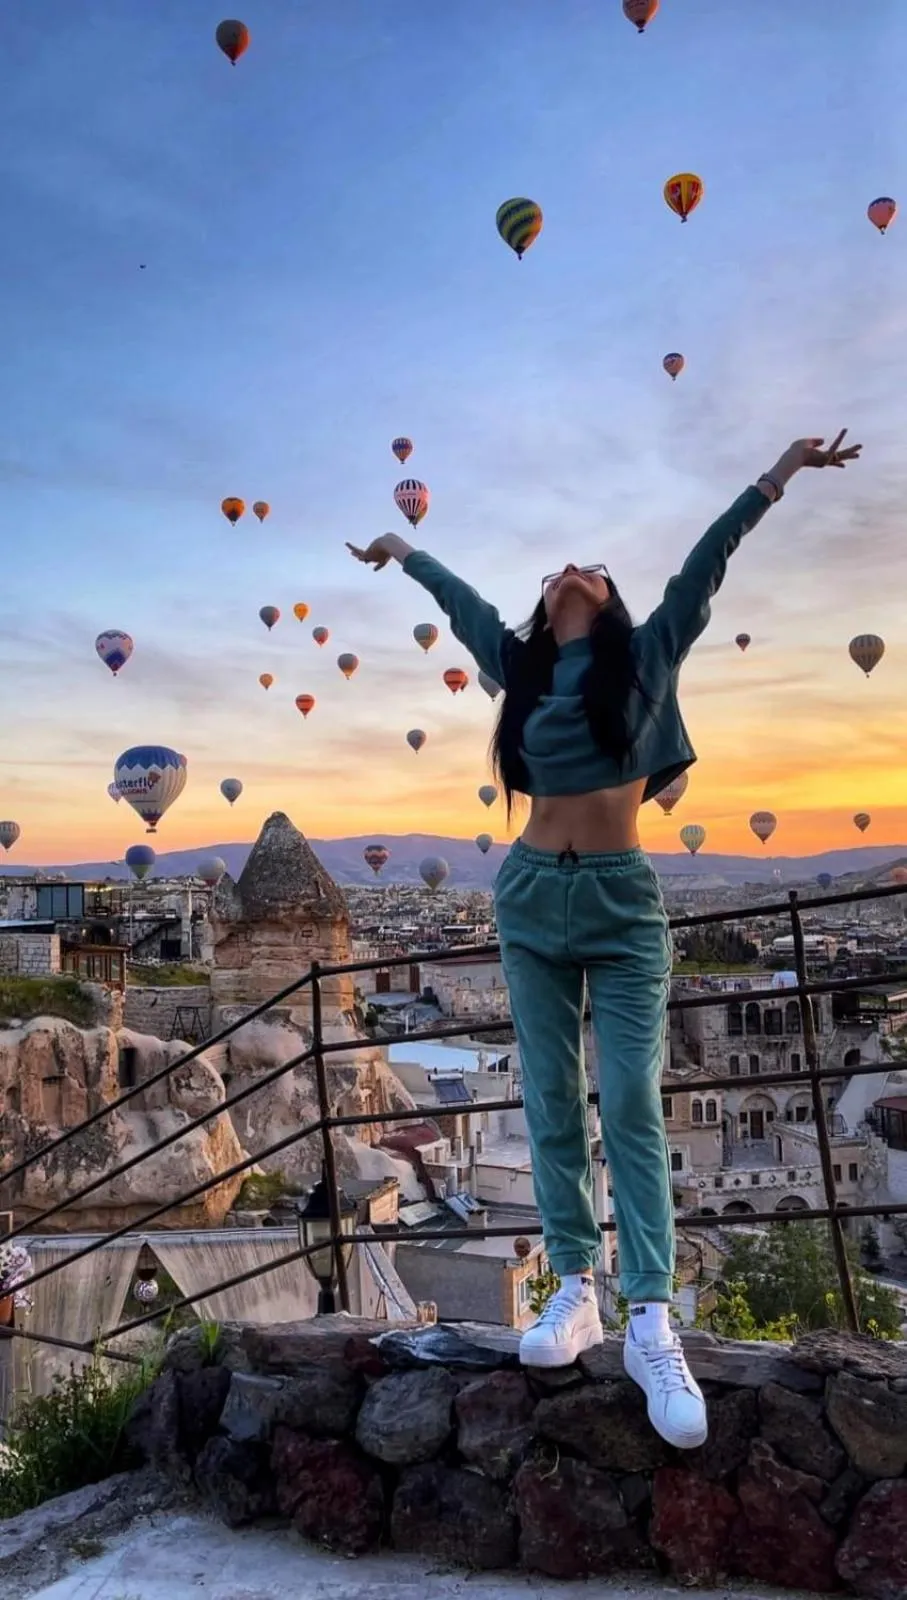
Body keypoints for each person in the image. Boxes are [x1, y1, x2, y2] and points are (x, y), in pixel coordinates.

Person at [347, 430, 861, 1447]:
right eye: (559, 572)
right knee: (546, 1095)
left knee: (626, 1092)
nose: (574, 571)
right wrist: (403, 554)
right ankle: (571, 1286)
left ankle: (651, 1314)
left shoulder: (645, 655)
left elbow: (704, 564)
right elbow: (462, 612)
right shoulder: (522, 670)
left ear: (610, 599)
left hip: (624, 905)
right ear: (547, 603)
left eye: (591, 568)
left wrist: (780, 473)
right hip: (532, 895)